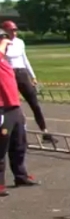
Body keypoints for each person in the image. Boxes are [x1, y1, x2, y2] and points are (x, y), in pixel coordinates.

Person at [1, 20, 56, 143]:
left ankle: (45, 132)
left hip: (22, 73)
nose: (14, 33)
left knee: (34, 104)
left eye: (15, 30)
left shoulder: (20, 42)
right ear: (4, 31)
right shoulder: (2, 44)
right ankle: (16, 133)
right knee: (14, 106)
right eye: (11, 30)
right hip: (10, 75)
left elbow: (24, 59)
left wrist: (33, 75)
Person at [0, 27, 39, 197]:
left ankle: (20, 175)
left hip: (13, 107)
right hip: (2, 109)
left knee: (19, 144)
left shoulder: (5, 61)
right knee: (1, 147)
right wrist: (4, 42)